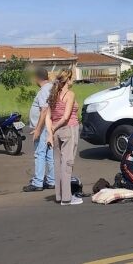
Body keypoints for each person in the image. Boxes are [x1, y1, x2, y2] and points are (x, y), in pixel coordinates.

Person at [46, 69, 82, 206]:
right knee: (67, 164)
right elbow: (66, 117)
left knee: (58, 163)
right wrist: (54, 128)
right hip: (69, 129)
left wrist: (51, 132)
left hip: (55, 132)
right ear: (68, 79)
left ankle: (60, 195)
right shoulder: (70, 94)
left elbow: (48, 117)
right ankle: (67, 198)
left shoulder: (53, 94)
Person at [23, 68, 55, 192]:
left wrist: (37, 129)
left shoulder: (43, 91)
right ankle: (52, 180)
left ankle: (38, 183)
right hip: (49, 126)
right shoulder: (51, 88)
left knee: (39, 154)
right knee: (49, 154)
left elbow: (44, 110)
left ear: (37, 78)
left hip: (43, 127)